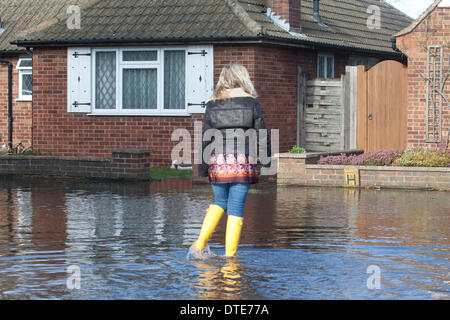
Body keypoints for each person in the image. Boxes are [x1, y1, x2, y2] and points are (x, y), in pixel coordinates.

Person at [191, 63, 271, 258]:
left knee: (219, 202)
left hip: (217, 161)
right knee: (235, 207)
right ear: (243, 79)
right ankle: (229, 258)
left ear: (223, 80)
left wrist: (202, 168)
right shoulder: (251, 103)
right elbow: (262, 134)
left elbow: (206, 137)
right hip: (243, 161)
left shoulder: (212, 104)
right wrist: (267, 162)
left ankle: (199, 245)